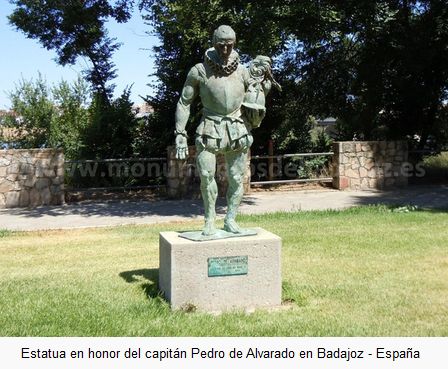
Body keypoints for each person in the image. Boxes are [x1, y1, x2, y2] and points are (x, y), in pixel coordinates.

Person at [174, 25, 273, 236]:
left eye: (230, 45)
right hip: (209, 127)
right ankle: (210, 220)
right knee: (207, 175)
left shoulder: (243, 71)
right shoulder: (199, 70)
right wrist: (180, 134)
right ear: (213, 43)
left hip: (237, 128)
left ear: (234, 44)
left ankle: (230, 220)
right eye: (221, 45)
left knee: (237, 178)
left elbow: (257, 93)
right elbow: (184, 102)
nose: (226, 50)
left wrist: (264, 85)